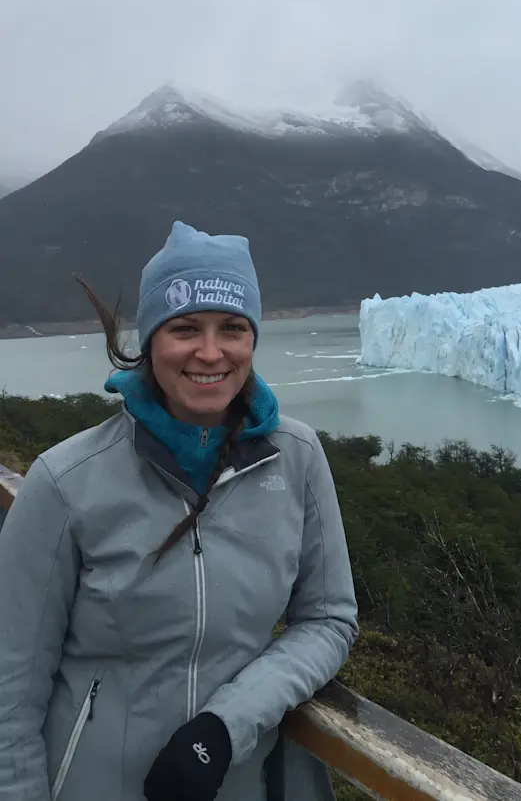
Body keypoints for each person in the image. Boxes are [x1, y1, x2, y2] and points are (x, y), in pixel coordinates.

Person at [0, 221, 358, 801]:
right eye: (186, 328)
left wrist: (223, 728)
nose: (211, 352)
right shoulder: (64, 481)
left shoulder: (296, 458)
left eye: (233, 329)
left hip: (238, 780)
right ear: (151, 341)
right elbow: (10, 686)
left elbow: (328, 619)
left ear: (253, 339)